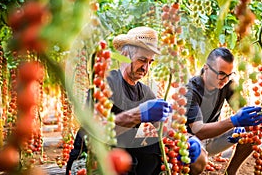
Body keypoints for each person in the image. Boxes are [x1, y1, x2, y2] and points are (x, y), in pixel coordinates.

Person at [66, 26, 202, 175]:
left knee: (185, 156)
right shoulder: (105, 84)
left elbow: (163, 128)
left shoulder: (146, 92)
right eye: (142, 60)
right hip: (93, 159)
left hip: (128, 156)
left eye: (150, 62)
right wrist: (138, 115)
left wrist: (187, 139)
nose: (145, 67)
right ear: (125, 54)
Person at [184, 47, 262, 175]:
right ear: (206, 68)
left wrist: (247, 121)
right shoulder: (190, 91)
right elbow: (198, 131)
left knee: (254, 125)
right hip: (192, 142)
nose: (225, 79)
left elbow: (242, 109)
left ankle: (231, 172)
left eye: (229, 74)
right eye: (221, 73)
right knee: (197, 158)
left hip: (213, 138)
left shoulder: (227, 84)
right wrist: (234, 121)